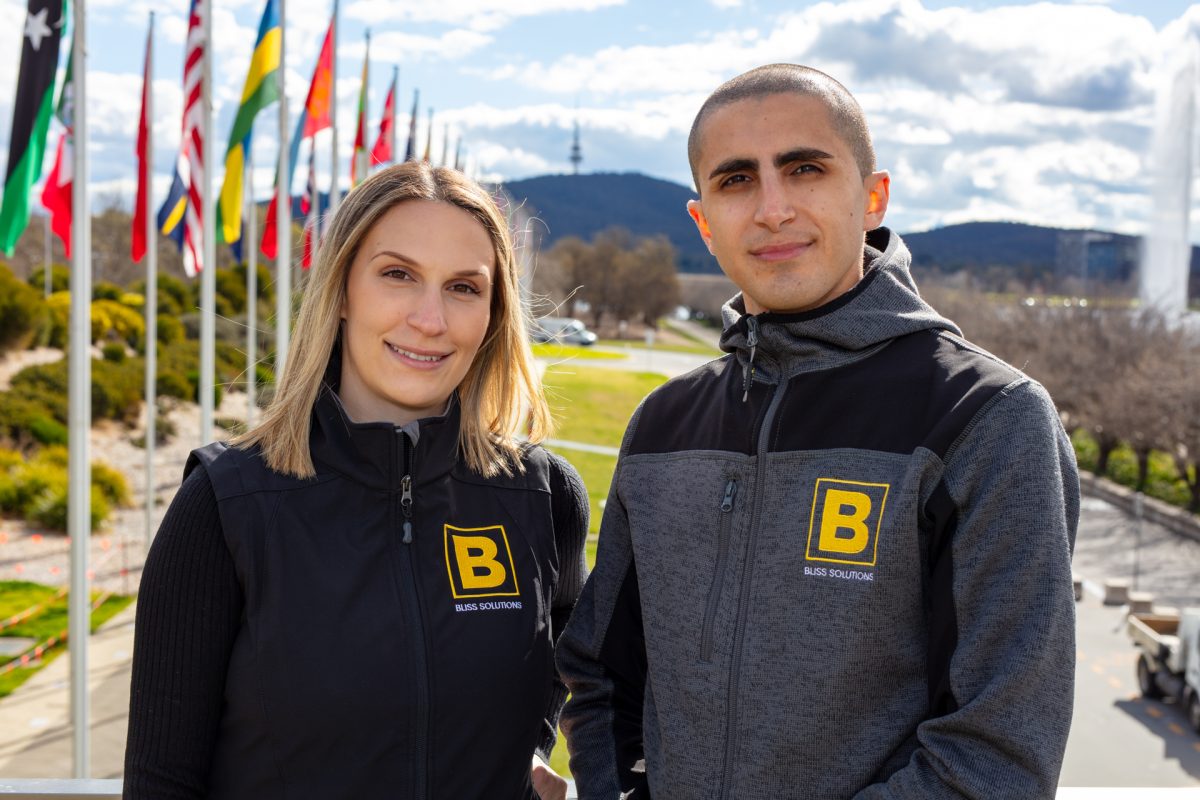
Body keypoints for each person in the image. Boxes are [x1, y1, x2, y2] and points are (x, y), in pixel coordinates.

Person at [557, 63, 1078, 799]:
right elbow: (603, 675)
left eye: (804, 169)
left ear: (872, 197)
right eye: (737, 180)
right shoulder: (664, 428)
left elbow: (997, 756)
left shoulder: (985, 417)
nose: (772, 208)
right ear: (704, 223)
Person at [123, 161, 588, 800]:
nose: (431, 318)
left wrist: (521, 751)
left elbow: (558, 676)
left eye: (463, 288)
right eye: (398, 275)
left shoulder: (545, 498)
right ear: (341, 290)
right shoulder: (227, 504)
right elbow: (162, 780)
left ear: (493, 313)